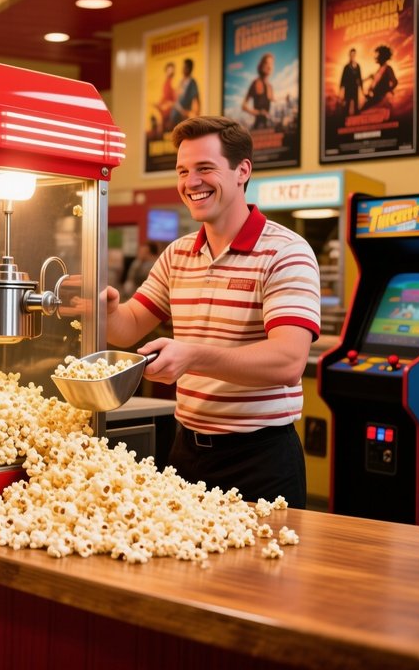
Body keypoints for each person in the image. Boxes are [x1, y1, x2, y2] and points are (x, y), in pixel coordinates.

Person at [104, 116, 321, 507]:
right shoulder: (178, 253)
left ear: (243, 171)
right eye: (183, 171)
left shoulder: (287, 251)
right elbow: (128, 327)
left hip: (261, 459)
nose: (191, 182)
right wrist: (105, 310)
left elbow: (288, 361)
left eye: (205, 168)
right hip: (185, 452)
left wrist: (192, 357)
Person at [165, 58, 200, 131]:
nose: (183, 69)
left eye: (185, 67)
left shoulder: (192, 82)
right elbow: (176, 95)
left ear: (190, 69)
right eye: (183, 67)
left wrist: (194, 115)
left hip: (183, 115)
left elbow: (196, 100)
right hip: (176, 111)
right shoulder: (181, 81)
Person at [242, 52, 275, 129]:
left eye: (272, 64)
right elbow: (244, 106)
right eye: (267, 63)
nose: (270, 66)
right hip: (258, 128)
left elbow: (274, 103)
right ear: (262, 66)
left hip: (268, 127)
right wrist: (258, 113)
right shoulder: (255, 83)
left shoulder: (270, 87)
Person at [361, 44, 398, 111]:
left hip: (380, 100)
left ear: (382, 56)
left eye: (377, 55)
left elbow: (395, 82)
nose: (375, 57)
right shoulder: (379, 69)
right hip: (374, 98)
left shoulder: (388, 68)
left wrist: (386, 91)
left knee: (363, 111)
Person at [338, 47, 363, 116]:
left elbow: (360, 77)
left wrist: (361, 88)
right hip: (348, 88)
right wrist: (341, 89)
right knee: (347, 104)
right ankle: (344, 120)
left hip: (355, 88)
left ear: (355, 55)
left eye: (354, 54)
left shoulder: (358, 66)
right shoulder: (346, 67)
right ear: (350, 55)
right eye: (351, 54)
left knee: (356, 105)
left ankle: (356, 121)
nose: (352, 56)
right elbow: (343, 78)